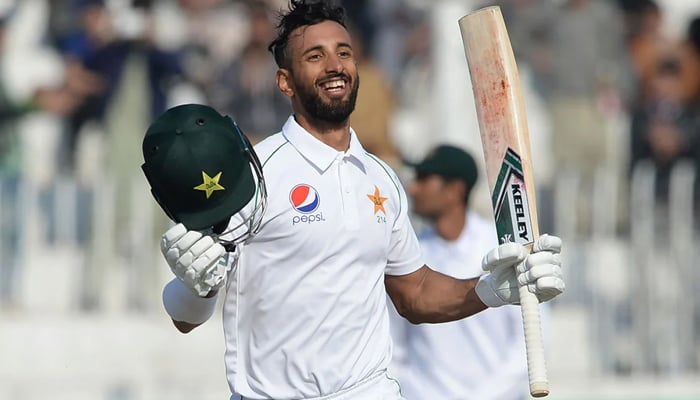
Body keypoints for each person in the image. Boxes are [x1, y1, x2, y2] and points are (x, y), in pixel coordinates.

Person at [141, 2, 565, 399]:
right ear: (284, 81)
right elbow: (187, 316)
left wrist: (491, 290)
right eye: (315, 56)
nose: (334, 66)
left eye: (344, 52)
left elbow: (414, 293)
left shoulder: (382, 178)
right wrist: (194, 286)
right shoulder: (253, 175)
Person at [388, 144, 529, 400]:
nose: (413, 188)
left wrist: (485, 397)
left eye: (424, 179)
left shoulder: (501, 249)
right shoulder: (407, 254)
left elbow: (528, 341)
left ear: (455, 190)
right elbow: (393, 346)